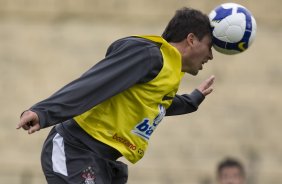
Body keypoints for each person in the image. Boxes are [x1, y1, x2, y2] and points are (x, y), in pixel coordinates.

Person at [17, 7, 215, 184]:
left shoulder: (168, 71)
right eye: (209, 46)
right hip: (74, 150)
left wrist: (193, 99)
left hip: (100, 161)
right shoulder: (150, 56)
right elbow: (93, 85)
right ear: (191, 39)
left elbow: (156, 104)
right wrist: (43, 112)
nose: (211, 56)